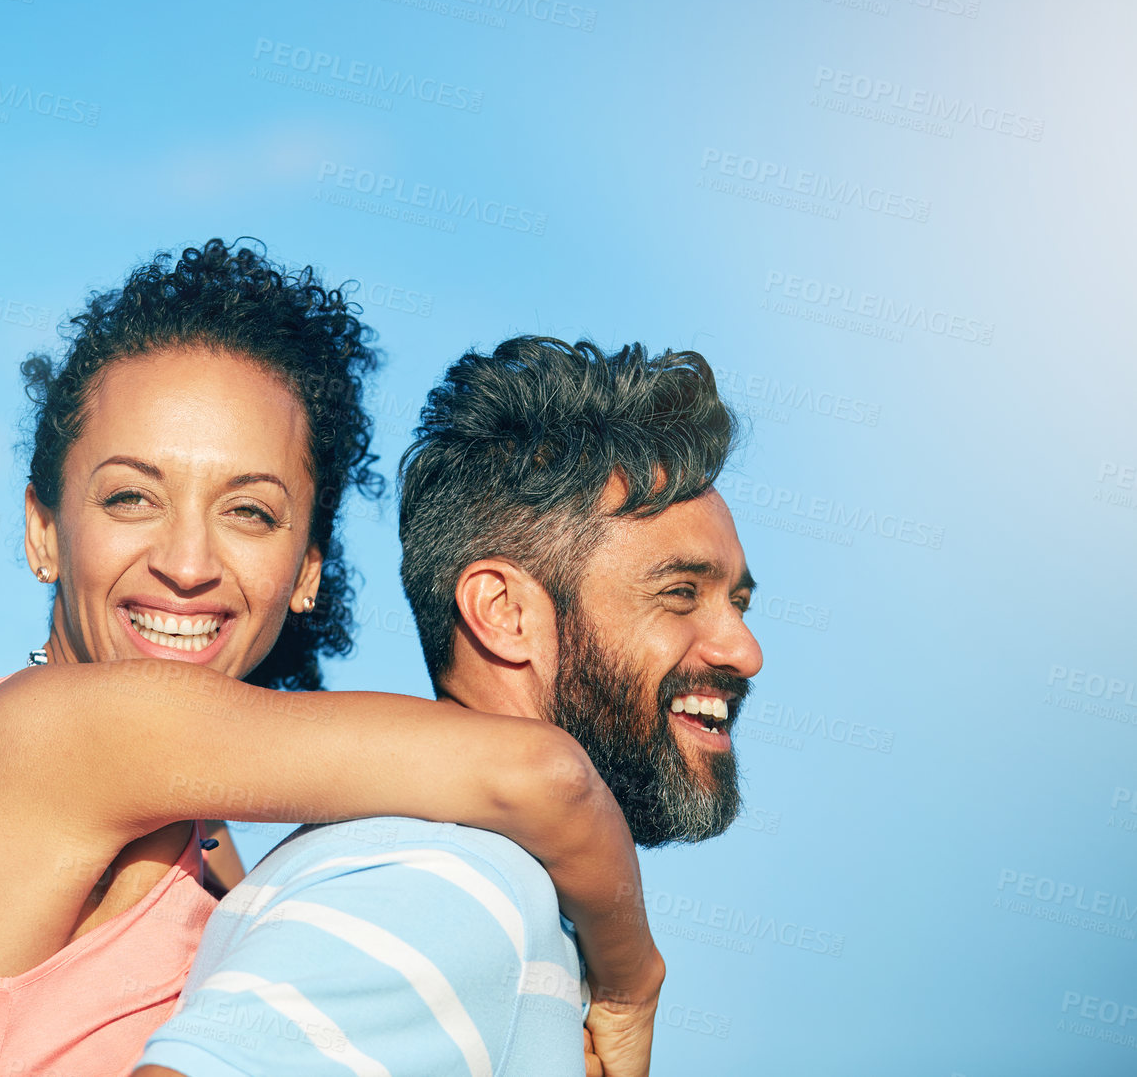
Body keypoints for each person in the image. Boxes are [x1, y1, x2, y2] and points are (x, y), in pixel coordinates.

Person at [0, 249, 661, 1076]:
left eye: (249, 511)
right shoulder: (51, 732)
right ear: (44, 530)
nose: (186, 563)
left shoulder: (213, 855)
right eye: (133, 497)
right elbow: (543, 775)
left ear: (307, 570)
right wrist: (628, 984)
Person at [137, 337, 760, 1077]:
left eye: (738, 602)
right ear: (503, 611)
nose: (743, 650)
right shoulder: (447, 883)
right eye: (680, 594)